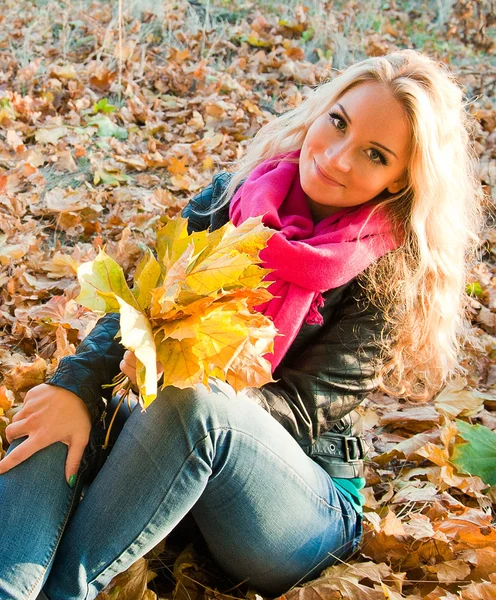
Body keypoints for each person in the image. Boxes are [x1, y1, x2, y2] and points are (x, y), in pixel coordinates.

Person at [0, 50, 482, 600]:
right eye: (339, 123)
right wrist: (75, 386)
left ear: (400, 181)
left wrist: (178, 376)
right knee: (57, 411)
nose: (339, 157)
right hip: (169, 454)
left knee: (192, 403)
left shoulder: (388, 273)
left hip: (289, 505)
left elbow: (301, 411)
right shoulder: (231, 198)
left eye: (374, 154)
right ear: (322, 111)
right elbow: (140, 309)